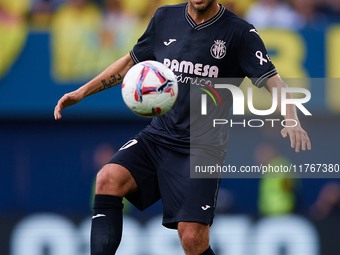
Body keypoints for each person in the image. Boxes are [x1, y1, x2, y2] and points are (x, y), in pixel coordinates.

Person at [54, 1, 312, 254]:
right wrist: (82, 92)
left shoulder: (240, 32)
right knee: (108, 179)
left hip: (201, 149)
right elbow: (130, 62)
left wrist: (291, 118)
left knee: (191, 238)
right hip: (158, 136)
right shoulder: (164, 18)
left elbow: (274, 82)